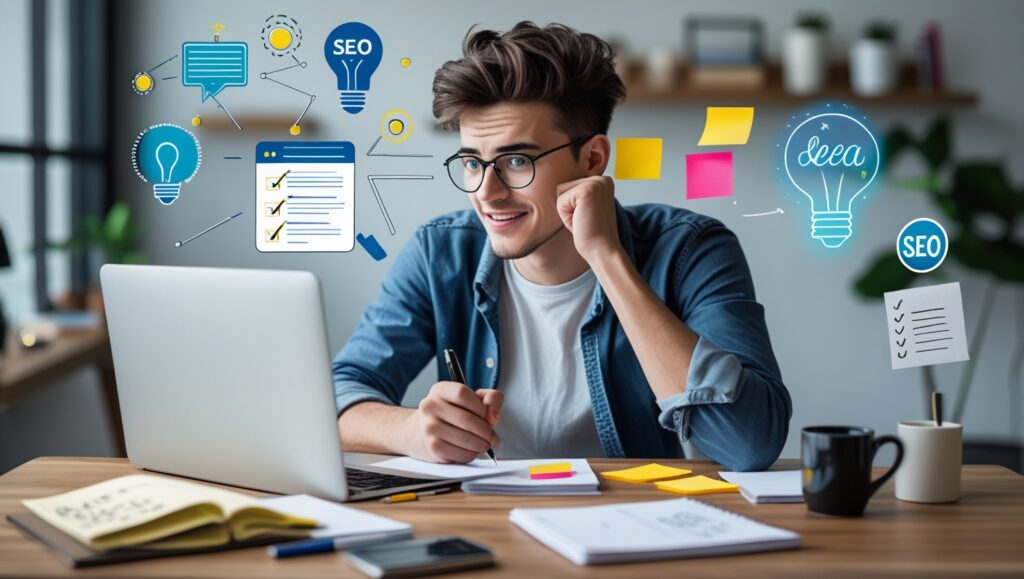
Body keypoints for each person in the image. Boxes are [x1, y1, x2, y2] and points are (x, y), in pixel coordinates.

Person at [333, 21, 791, 471]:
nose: (487, 193)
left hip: (636, 525)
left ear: (592, 159)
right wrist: (412, 431)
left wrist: (607, 258)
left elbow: (748, 444)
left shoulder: (690, 250)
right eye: (472, 162)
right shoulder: (440, 253)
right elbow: (337, 393)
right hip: (483, 522)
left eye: (516, 160)